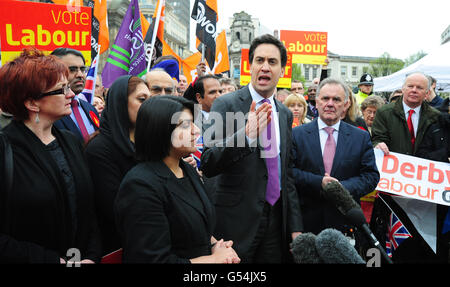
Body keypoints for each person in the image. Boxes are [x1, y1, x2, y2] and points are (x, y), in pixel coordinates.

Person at [200, 34, 303, 263]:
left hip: (276, 224)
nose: (265, 67)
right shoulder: (226, 104)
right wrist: (245, 136)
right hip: (236, 224)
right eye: (259, 60)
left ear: (283, 70)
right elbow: (208, 162)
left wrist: (295, 226)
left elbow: (286, 175)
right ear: (250, 66)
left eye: (272, 62)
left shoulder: (284, 114)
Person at [0, 47, 101, 263]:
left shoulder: (70, 141)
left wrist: (91, 256)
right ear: (32, 103)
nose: (71, 94)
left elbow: (88, 211)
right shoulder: (5, 149)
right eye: (61, 89)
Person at [114, 95, 240, 263]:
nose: (196, 130)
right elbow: (152, 259)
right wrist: (214, 259)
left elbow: (198, 227)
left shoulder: (186, 168)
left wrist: (216, 245)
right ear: (161, 130)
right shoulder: (140, 185)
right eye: (185, 125)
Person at [291, 78, 379, 239]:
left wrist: (340, 188)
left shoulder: (360, 137)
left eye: (336, 99)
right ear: (316, 102)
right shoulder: (297, 134)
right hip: (306, 223)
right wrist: (319, 182)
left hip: (345, 223)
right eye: (325, 98)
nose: (330, 104)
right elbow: (289, 172)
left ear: (345, 105)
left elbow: (371, 176)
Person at [370, 72, 442, 263]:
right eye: (410, 86)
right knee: (392, 241)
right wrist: (378, 144)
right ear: (402, 88)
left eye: (419, 88)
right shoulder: (385, 112)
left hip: (423, 194)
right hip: (393, 192)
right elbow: (377, 137)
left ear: (427, 93)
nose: (414, 90)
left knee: (419, 244)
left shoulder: (436, 117)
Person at [84, 75, 151, 256]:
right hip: (120, 247)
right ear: (120, 103)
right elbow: (116, 209)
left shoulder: (151, 144)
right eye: (142, 100)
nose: (149, 106)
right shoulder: (99, 150)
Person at [51, 48, 100, 144]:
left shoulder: (89, 108)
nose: (80, 75)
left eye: (83, 69)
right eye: (72, 70)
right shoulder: (49, 112)